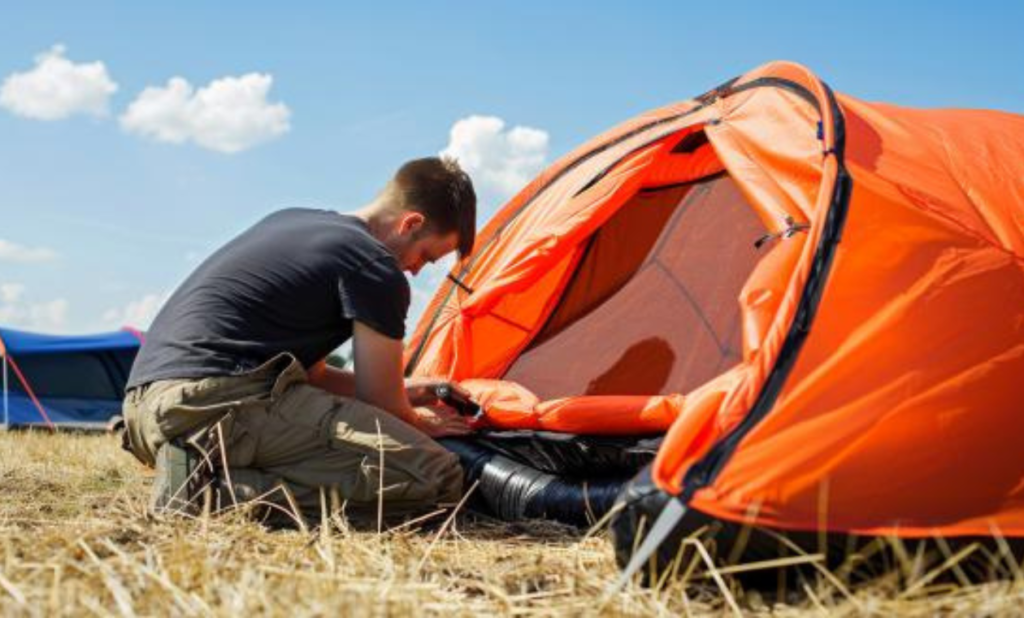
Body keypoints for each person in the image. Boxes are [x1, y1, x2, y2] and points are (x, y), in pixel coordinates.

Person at [121, 156, 477, 524]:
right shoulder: (373, 265)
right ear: (411, 223)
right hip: (211, 407)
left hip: (145, 412)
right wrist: (422, 423)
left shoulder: (292, 220)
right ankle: (212, 493)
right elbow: (381, 403)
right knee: (436, 476)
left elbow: (315, 377)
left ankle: (195, 463)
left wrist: (412, 390)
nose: (416, 271)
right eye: (425, 256)